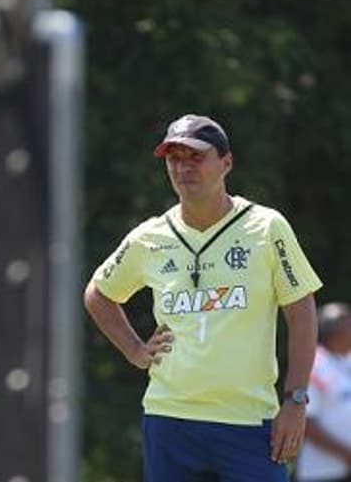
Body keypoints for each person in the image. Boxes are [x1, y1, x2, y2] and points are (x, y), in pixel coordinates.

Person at [83, 113, 322, 482]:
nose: (183, 167)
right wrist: (134, 349)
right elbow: (99, 294)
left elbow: (302, 312)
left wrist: (296, 400)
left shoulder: (267, 227)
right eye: (174, 158)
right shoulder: (149, 236)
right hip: (170, 420)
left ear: (226, 163)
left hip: (248, 422)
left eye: (195, 156)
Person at [295, 302, 351, 482]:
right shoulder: (315, 365)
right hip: (322, 473)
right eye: (348, 322)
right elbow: (307, 423)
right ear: (334, 331)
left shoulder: (347, 359)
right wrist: (346, 453)